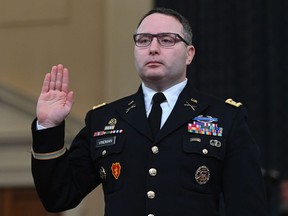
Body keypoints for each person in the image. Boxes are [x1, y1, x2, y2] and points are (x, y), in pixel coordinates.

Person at [31, 7, 268, 216]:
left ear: (189, 54)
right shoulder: (103, 120)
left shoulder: (225, 117)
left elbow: (248, 208)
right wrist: (48, 127)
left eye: (166, 40)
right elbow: (59, 197)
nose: (153, 48)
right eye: (143, 40)